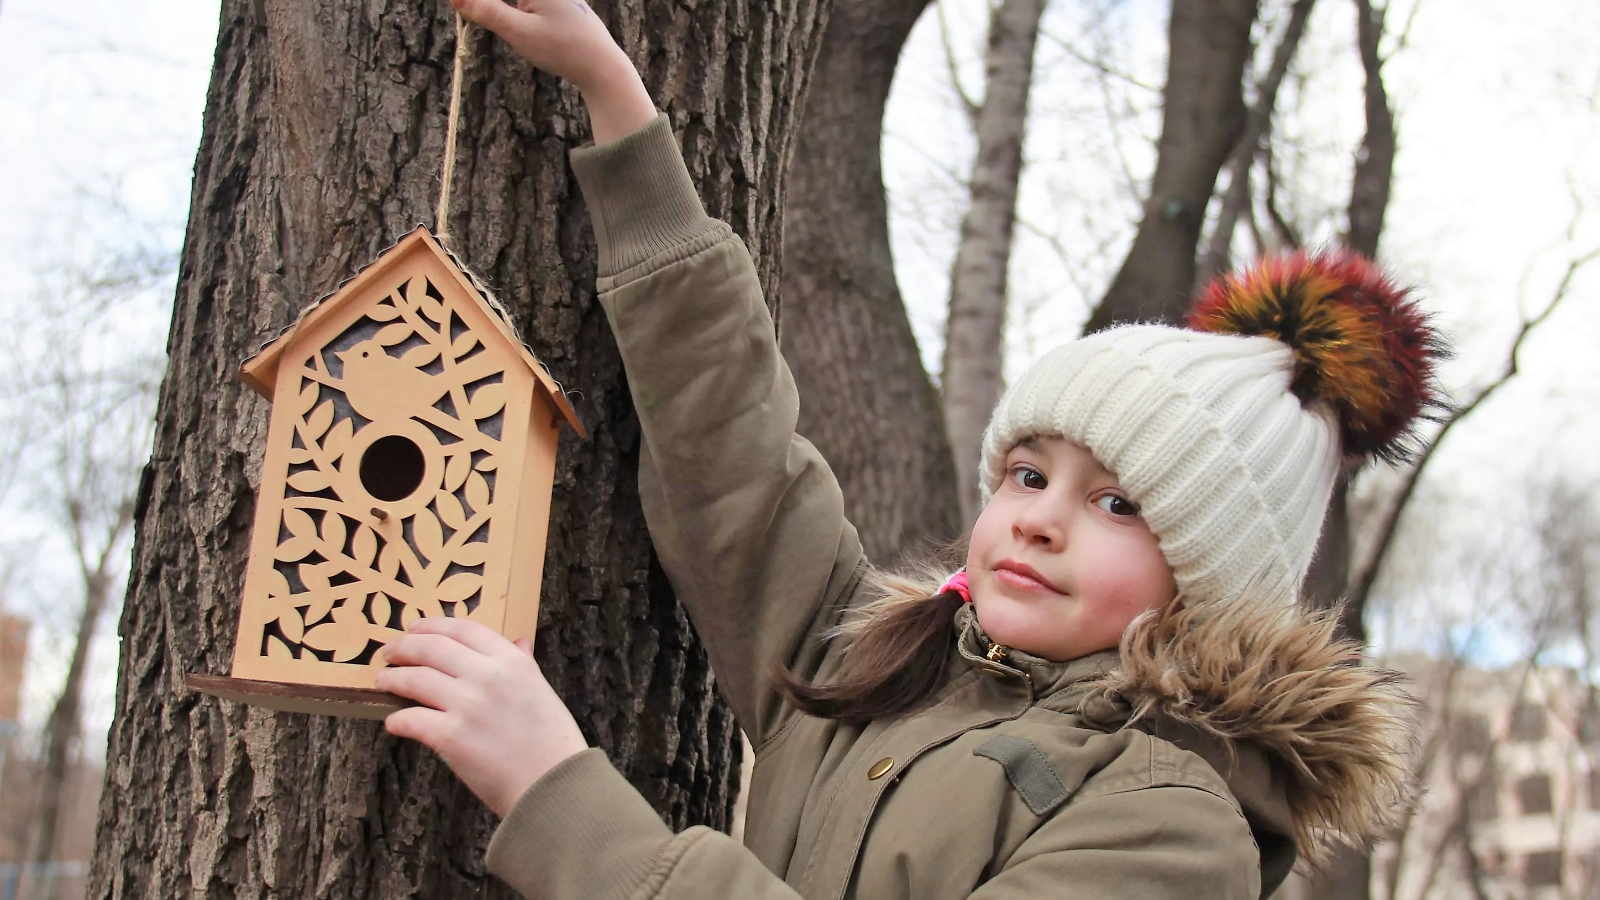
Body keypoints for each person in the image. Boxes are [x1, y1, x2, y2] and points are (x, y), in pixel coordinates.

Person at [373, 1, 1441, 897]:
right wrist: (617, 104)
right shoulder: (877, 666)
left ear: (1207, 584)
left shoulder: (1172, 822)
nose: (1037, 516)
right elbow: (734, 456)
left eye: (1118, 505)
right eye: (1027, 474)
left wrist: (557, 791)